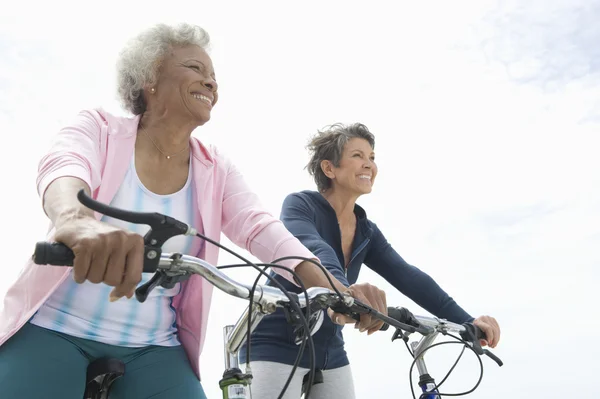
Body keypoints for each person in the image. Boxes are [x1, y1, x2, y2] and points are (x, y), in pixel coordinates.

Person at [0, 22, 343, 398]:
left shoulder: (216, 168)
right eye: (196, 69)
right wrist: (75, 220)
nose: (211, 83)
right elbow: (64, 165)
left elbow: (259, 227)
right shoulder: (99, 129)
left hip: (153, 346)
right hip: (55, 326)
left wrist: (328, 284)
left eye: (214, 76)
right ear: (150, 77)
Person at [243, 123, 502, 398]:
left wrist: (467, 323)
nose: (368, 165)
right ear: (329, 168)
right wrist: (347, 293)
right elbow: (314, 249)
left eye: (372, 157)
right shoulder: (300, 205)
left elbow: (408, 276)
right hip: (274, 343)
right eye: (358, 156)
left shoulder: (366, 230)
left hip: (330, 350)